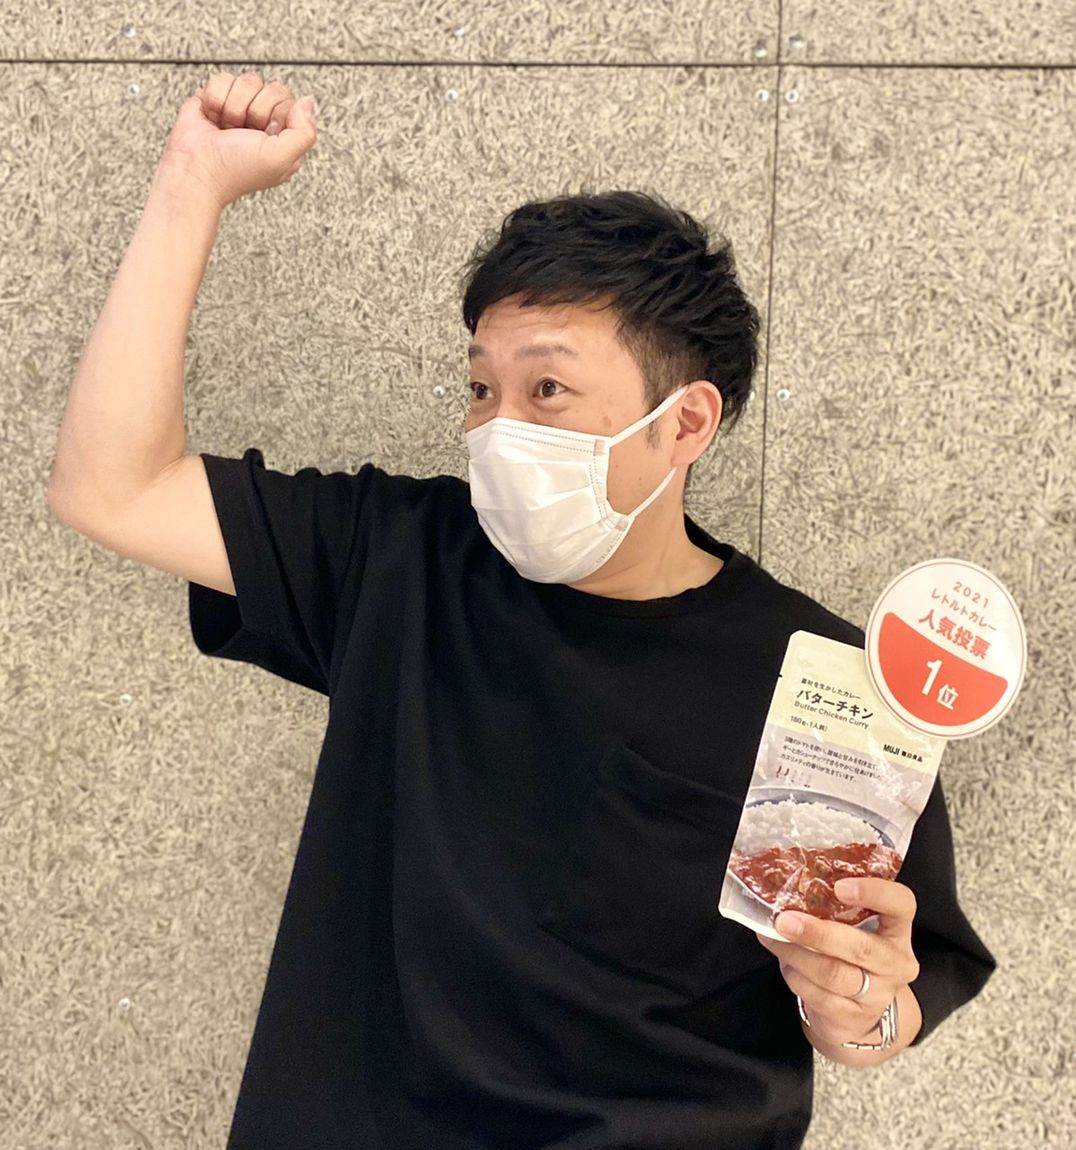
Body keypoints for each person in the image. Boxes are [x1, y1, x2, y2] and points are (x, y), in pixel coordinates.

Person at [48, 73, 997, 1150]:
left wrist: (861, 1011)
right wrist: (191, 185)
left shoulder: (822, 680)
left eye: (546, 389)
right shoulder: (398, 560)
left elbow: (881, 998)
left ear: (685, 424)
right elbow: (111, 487)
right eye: (480, 389)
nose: (498, 429)